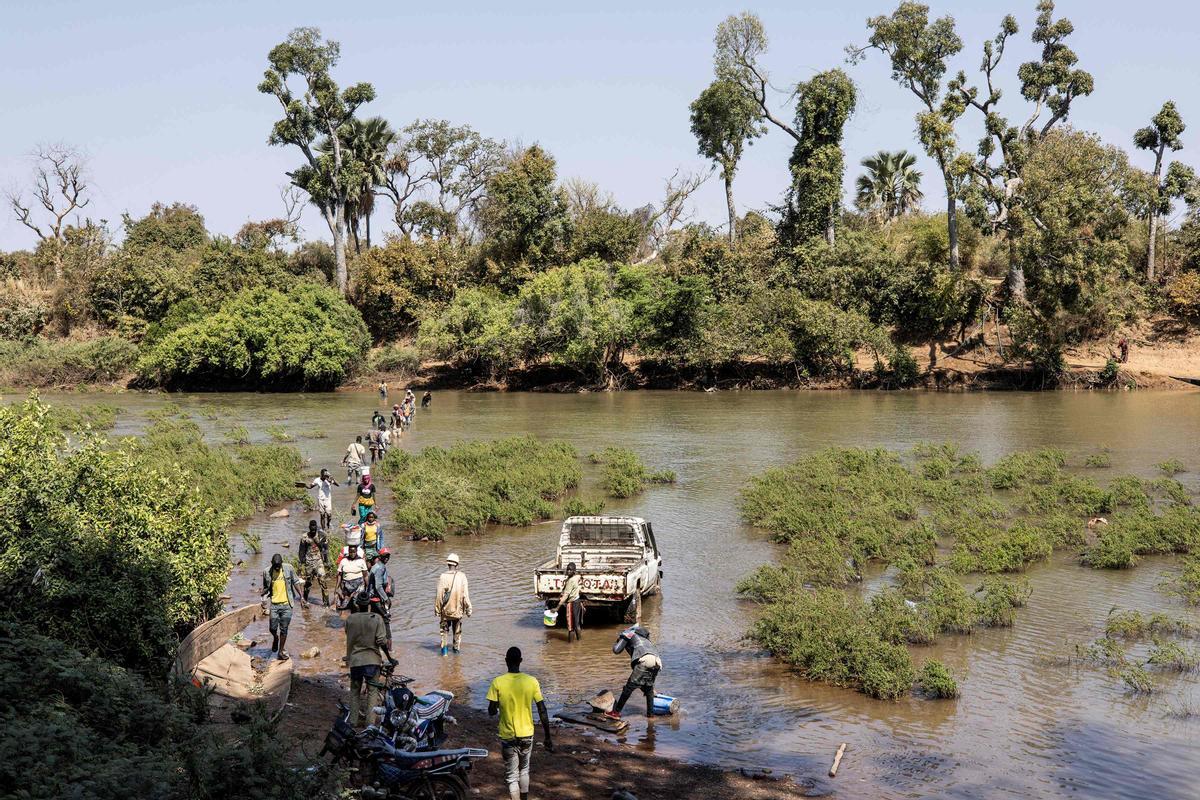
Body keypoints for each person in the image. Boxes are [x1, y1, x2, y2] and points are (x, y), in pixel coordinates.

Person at [487, 646, 554, 800]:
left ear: (506, 661)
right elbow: (542, 710)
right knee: (524, 769)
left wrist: (498, 705)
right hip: (527, 734)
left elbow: (491, 711)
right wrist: (547, 736)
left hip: (507, 735)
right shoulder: (532, 681)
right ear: (521, 661)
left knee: (512, 775)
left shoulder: (497, 682)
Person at [345, 592, 396, 729]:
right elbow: (381, 641)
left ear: (357, 604)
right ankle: (370, 723)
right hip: (372, 661)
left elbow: (349, 638)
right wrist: (390, 658)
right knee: (372, 692)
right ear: (369, 604)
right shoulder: (377, 619)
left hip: (355, 661)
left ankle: (353, 721)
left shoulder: (350, 619)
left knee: (355, 691)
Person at [605, 625, 662, 720]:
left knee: (629, 688)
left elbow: (616, 650)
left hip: (645, 659)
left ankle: (615, 713)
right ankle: (650, 715)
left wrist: (618, 642)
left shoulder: (627, 634)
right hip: (657, 660)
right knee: (648, 689)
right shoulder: (643, 635)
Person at [261, 553, 308, 660]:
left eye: (279, 566)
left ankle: (280, 651)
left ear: (281, 563)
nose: (277, 568)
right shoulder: (266, 572)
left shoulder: (289, 568)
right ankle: (275, 638)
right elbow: (266, 587)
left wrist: (301, 597)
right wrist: (263, 594)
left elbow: (295, 581)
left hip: (287, 604)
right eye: (275, 566)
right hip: (274, 605)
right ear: (271, 563)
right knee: (272, 628)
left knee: (284, 628)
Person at [434, 553, 471, 656]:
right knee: (457, 634)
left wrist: (437, 610)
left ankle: (444, 655)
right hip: (458, 612)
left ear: (447, 564)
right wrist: (469, 609)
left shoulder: (442, 577)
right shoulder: (462, 577)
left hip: (445, 612)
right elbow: (465, 596)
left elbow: (439, 596)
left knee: (444, 634)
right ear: (457, 565)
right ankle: (456, 656)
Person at [298, 520, 331, 606]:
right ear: (309, 527)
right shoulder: (304, 537)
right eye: (311, 527)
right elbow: (301, 551)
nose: (313, 529)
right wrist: (301, 563)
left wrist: (327, 562)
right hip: (309, 563)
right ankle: (305, 600)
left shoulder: (322, 536)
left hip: (319, 562)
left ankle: (326, 603)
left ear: (316, 527)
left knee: (323, 581)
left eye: (314, 527)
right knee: (308, 583)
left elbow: (325, 550)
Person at [367, 548, 394, 649]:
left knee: (375, 621)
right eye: (385, 556)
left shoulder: (378, 566)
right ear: (380, 557)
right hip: (376, 599)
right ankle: (389, 648)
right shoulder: (379, 568)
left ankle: (373, 645)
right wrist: (386, 598)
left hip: (374, 598)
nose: (386, 558)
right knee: (386, 620)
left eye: (388, 556)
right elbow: (378, 586)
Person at [555, 562, 584, 642]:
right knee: (577, 624)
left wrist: (557, 607)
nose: (568, 571)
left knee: (571, 626)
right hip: (577, 601)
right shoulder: (575, 577)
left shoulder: (571, 581)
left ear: (574, 571)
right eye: (567, 569)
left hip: (572, 603)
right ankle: (579, 642)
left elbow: (566, 596)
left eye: (570, 570)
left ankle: (571, 646)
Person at [336, 544, 369, 609]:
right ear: (348, 552)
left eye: (354, 552)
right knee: (342, 605)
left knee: (355, 602)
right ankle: (347, 598)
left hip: (359, 585)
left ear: (356, 552)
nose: (352, 554)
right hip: (347, 585)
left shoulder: (361, 561)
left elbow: (365, 575)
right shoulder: (343, 561)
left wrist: (368, 587)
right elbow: (339, 575)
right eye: (351, 552)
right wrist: (337, 588)